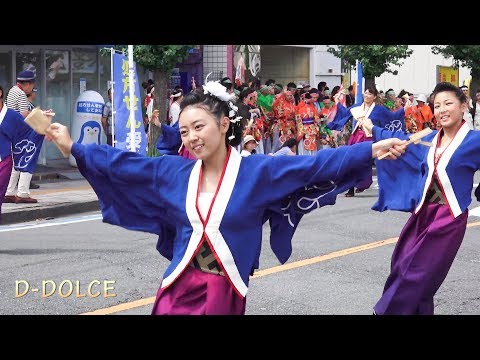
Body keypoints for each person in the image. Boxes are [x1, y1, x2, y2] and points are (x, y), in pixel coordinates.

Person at [44, 81, 407, 315]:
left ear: (223, 125)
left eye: (199, 127)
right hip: (177, 287)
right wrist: (73, 145)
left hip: (223, 292)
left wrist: (370, 150)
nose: (191, 137)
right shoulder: (175, 172)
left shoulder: (257, 172)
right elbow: (127, 165)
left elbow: (312, 167)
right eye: (184, 131)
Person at [362, 81, 480, 315]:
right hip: (423, 213)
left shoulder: (474, 140)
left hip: (449, 217)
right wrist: (373, 129)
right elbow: (399, 140)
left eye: (448, 103)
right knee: (401, 265)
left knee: (417, 273)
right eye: (437, 105)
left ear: (464, 106)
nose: (442, 110)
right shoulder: (428, 138)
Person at [327, 85, 408, 197]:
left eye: (370, 94)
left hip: (370, 138)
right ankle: (351, 187)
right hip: (356, 136)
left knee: (366, 161)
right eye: (365, 93)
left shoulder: (379, 109)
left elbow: (392, 117)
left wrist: (404, 109)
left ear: (374, 97)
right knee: (351, 160)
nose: (367, 95)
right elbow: (345, 113)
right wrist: (337, 102)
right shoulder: (357, 107)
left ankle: (363, 184)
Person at [0, 85, 47, 219]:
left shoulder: (11, 115)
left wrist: (43, 122)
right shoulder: (18, 103)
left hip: (4, 159)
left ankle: (16, 192)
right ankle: (16, 192)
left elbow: (27, 130)